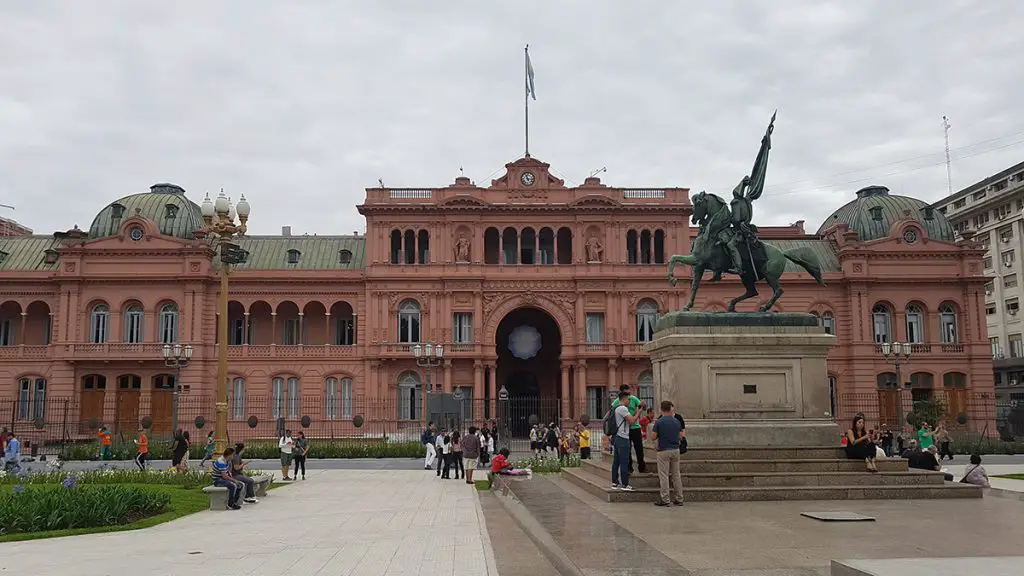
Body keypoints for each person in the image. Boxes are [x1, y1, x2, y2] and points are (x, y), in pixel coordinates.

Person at [651, 400, 685, 507]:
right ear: (670, 409)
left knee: (664, 475)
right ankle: (679, 498)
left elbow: (653, 436)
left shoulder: (659, 422)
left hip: (663, 450)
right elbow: (681, 436)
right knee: (676, 475)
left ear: (661, 410)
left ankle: (665, 499)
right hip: (675, 450)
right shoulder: (676, 421)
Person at [610, 390, 641, 491]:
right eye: (629, 399)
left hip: (617, 437)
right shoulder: (622, 408)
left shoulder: (616, 408)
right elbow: (631, 421)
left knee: (616, 461)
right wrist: (638, 413)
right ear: (624, 399)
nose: (629, 401)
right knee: (624, 461)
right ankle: (625, 484)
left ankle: (614, 482)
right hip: (623, 438)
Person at [611, 384, 646, 473]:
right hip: (625, 429)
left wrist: (642, 405)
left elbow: (643, 408)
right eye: (627, 394)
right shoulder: (616, 402)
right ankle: (629, 467)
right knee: (628, 449)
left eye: (629, 393)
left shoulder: (633, 399)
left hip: (635, 427)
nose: (629, 397)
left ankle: (642, 467)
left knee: (639, 448)